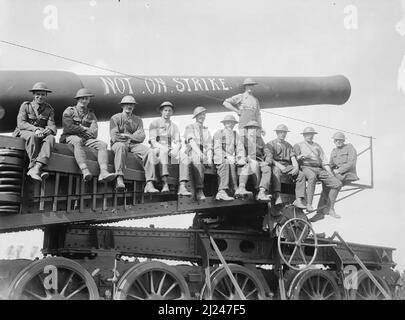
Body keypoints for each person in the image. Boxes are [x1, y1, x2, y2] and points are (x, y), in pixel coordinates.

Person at [60, 88, 115, 182]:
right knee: (77, 141)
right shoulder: (69, 111)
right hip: (69, 137)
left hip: (85, 139)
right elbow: (68, 128)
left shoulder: (91, 115)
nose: (84, 101)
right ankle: (84, 170)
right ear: (78, 99)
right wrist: (83, 129)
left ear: (89, 100)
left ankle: (103, 172)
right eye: (82, 98)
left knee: (102, 145)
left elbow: (94, 133)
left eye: (87, 99)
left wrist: (80, 130)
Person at [110, 95, 157, 192]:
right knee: (121, 146)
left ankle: (149, 183)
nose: (129, 106)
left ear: (134, 106)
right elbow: (114, 136)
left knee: (150, 152)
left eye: (131, 104)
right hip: (119, 143)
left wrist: (128, 136)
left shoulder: (138, 119)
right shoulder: (115, 118)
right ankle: (119, 178)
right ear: (122, 106)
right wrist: (134, 136)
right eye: (126, 104)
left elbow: (142, 137)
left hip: (133, 144)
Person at [293, 127, 342, 219]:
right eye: (307, 134)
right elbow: (294, 158)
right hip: (305, 167)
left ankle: (330, 209)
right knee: (312, 177)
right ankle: (309, 204)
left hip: (318, 168)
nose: (310, 136)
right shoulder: (298, 145)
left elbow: (324, 161)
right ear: (304, 135)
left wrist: (330, 173)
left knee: (337, 184)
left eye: (311, 134)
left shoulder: (317, 146)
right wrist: (299, 157)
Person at [13, 82, 56, 181]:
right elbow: (21, 123)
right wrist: (35, 129)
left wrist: (49, 130)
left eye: (42, 94)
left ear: (46, 96)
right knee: (33, 136)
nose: (40, 97)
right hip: (24, 131)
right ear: (34, 95)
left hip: (40, 133)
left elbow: (52, 125)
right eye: (38, 94)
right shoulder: (26, 106)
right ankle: (32, 166)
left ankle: (37, 167)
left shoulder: (49, 109)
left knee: (51, 138)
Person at [311, 132, 359, 221]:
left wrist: (339, 170)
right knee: (327, 182)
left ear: (343, 140)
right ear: (334, 141)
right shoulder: (334, 151)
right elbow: (331, 164)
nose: (338, 141)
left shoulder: (349, 148)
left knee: (335, 182)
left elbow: (351, 163)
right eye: (336, 140)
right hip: (337, 174)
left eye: (340, 140)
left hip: (348, 174)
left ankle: (330, 209)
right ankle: (320, 212)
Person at [147, 101, 191, 196]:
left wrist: (176, 149)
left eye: (169, 110)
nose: (167, 112)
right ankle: (164, 183)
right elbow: (153, 141)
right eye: (165, 110)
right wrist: (164, 148)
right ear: (161, 111)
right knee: (163, 154)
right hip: (157, 148)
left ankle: (182, 186)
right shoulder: (154, 123)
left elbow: (178, 141)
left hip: (170, 148)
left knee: (185, 158)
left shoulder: (174, 126)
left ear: (172, 112)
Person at [265, 124, 305, 206]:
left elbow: (293, 158)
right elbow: (270, 158)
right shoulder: (270, 144)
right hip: (276, 164)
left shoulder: (288, 145)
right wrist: (280, 166)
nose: (283, 134)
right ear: (277, 133)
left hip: (287, 166)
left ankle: (298, 199)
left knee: (301, 175)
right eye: (280, 132)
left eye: (284, 133)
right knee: (276, 170)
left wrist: (296, 168)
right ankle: (277, 196)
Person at [212, 115, 247, 201]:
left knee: (243, 165)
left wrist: (240, 158)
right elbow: (217, 148)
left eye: (232, 123)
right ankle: (222, 191)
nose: (230, 125)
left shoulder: (235, 134)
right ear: (224, 124)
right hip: (221, 157)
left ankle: (237, 189)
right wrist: (227, 156)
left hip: (232, 158)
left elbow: (240, 148)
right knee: (227, 163)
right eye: (228, 123)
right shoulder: (218, 133)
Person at [183, 106, 213, 200]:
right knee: (197, 159)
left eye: (204, 114)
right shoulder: (190, 126)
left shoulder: (206, 130)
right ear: (196, 116)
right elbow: (191, 142)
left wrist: (209, 157)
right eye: (200, 115)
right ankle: (199, 189)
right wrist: (200, 154)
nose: (202, 116)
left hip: (203, 152)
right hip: (192, 150)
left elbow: (209, 146)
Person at [238, 120, 272, 201]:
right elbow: (239, 151)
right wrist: (245, 158)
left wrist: (267, 161)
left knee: (267, 168)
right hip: (247, 161)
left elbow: (268, 152)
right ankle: (256, 189)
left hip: (259, 161)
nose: (253, 130)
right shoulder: (243, 139)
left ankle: (262, 191)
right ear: (247, 129)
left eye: (255, 128)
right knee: (253, 164)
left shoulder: (260, 140)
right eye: (251, 128)